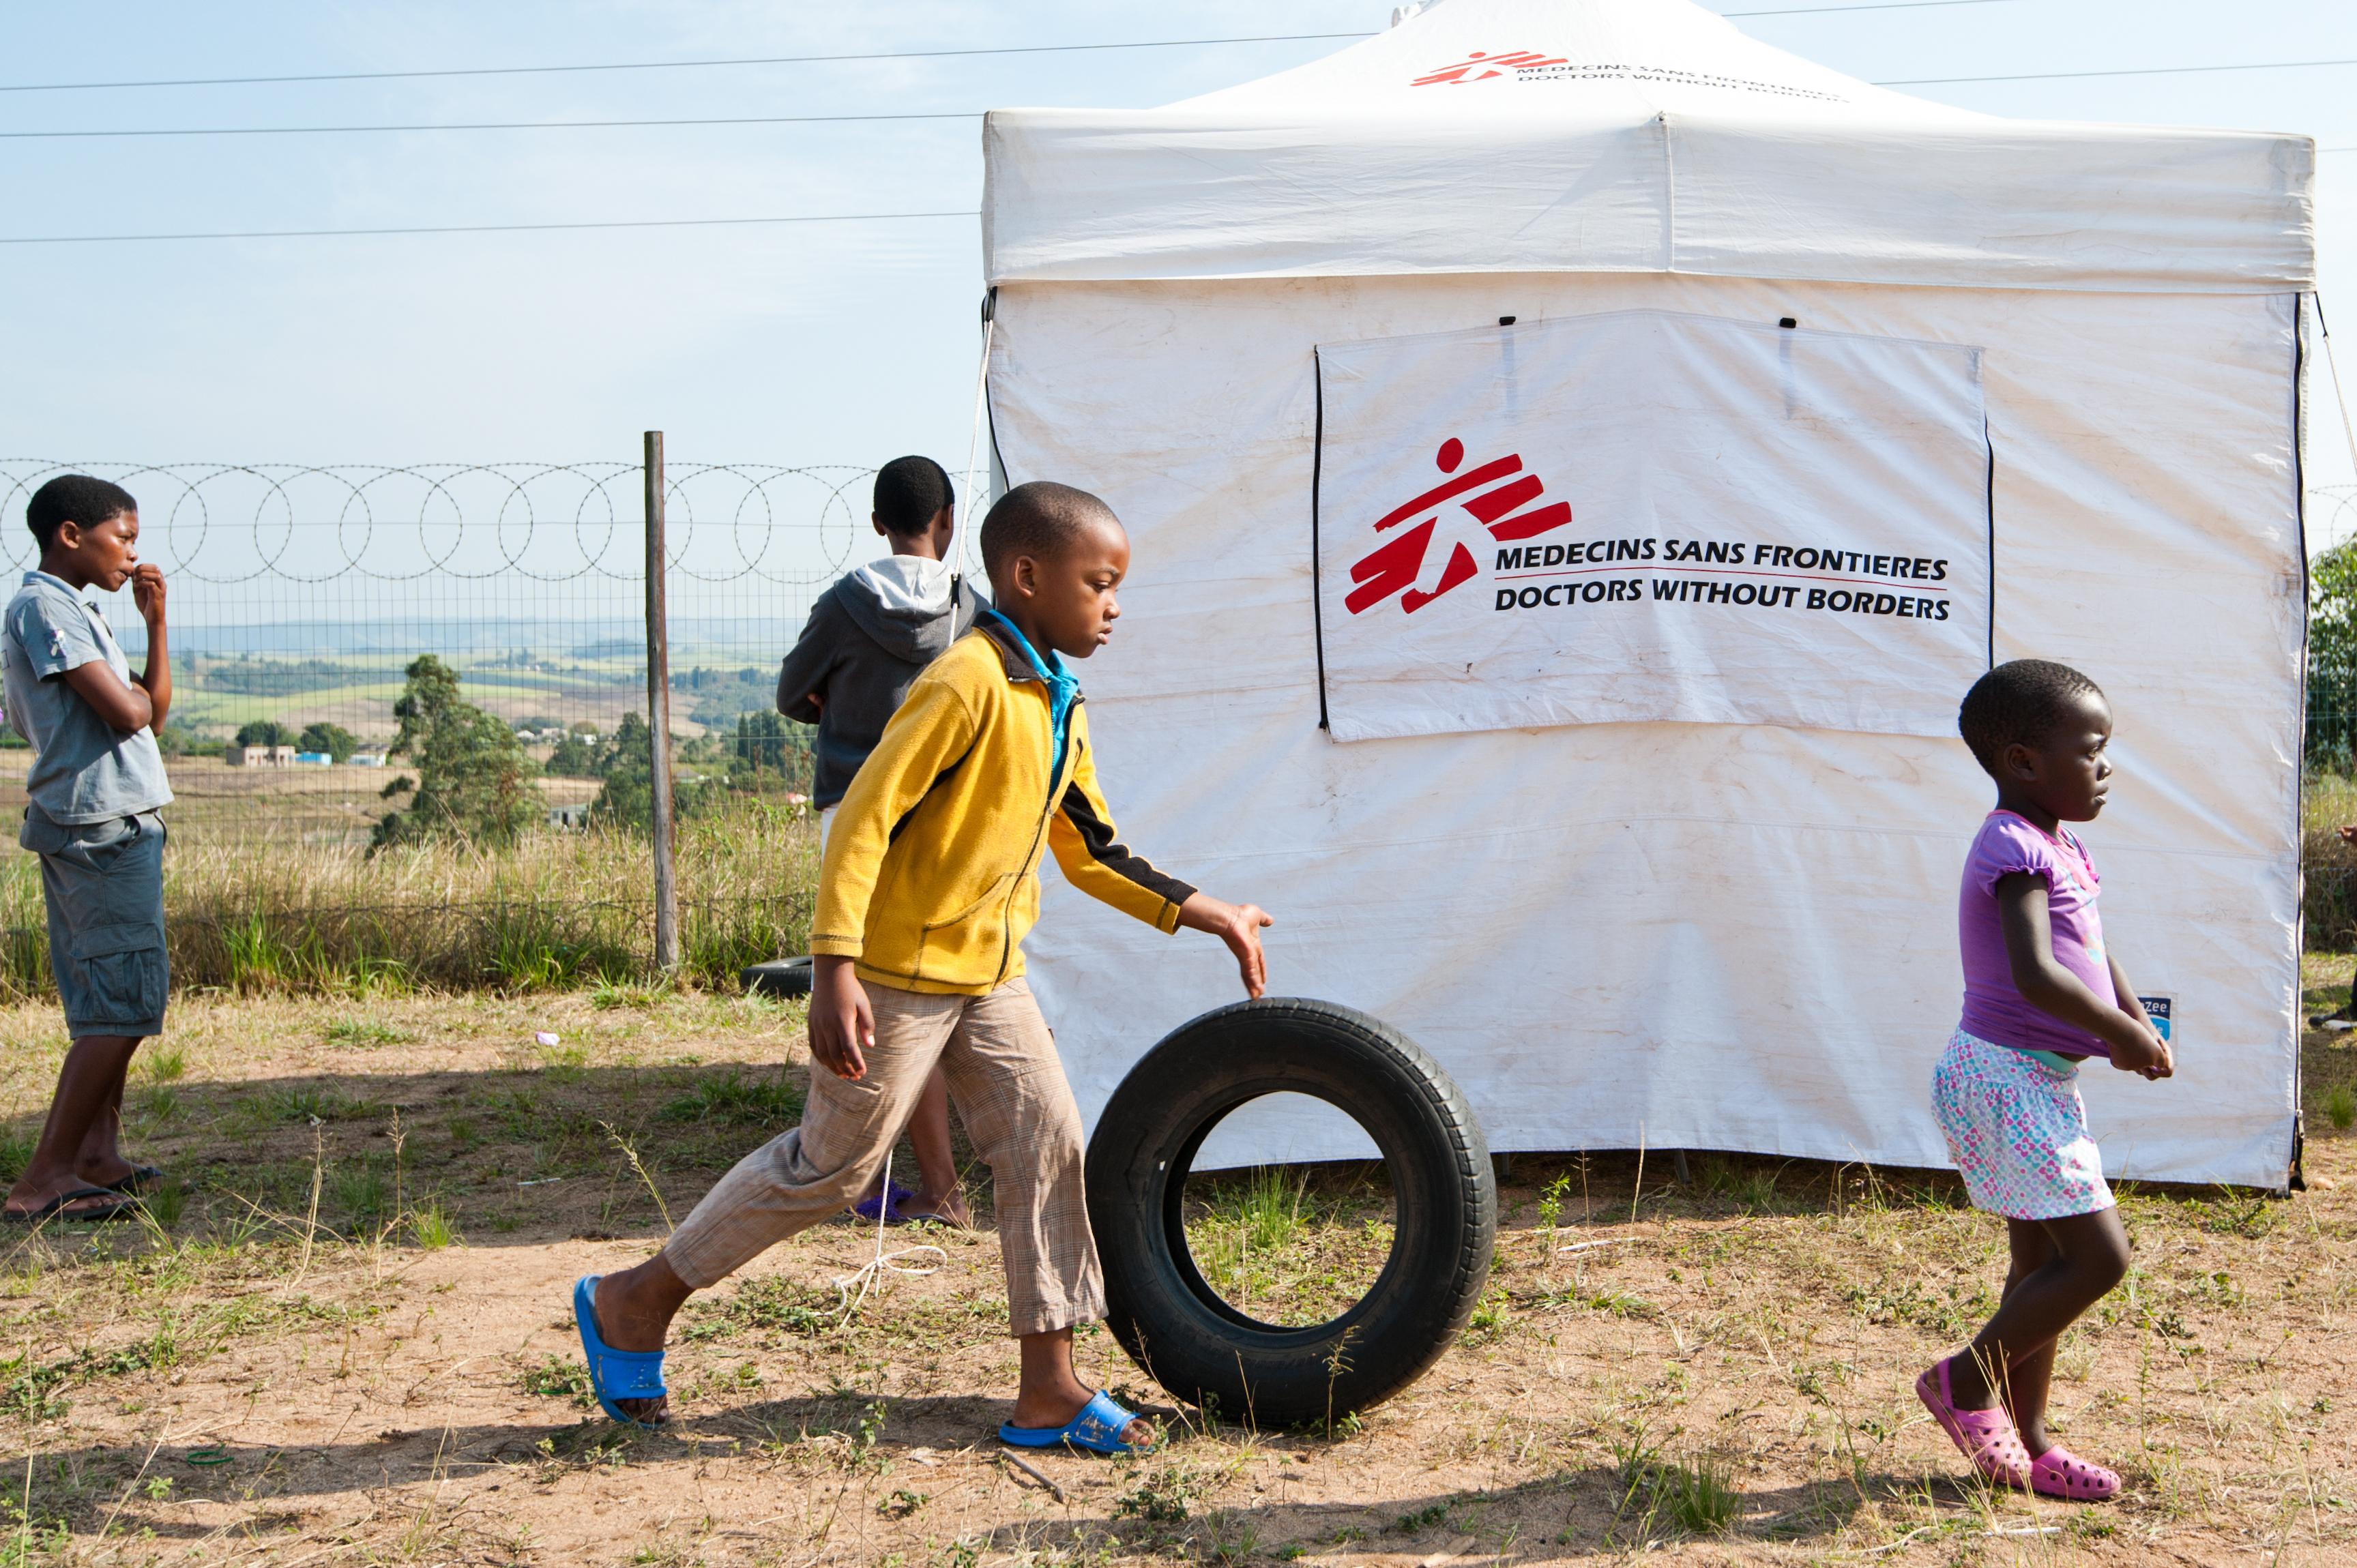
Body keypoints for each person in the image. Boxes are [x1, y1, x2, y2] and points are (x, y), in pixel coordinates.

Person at [577, 480, 1274, 1453]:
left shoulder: (1054, 698)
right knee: (835, 1166)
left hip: (988, 973)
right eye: (1099, 582)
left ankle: (1049, 1387)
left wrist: (1210, 911)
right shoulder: (967, 680)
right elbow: (863, 817)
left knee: (1044, 1142)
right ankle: (633, 1298)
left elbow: (1092, 847)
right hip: (897, 969)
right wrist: (834, 966)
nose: (1113, 603)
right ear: (1027, 577)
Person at [1918, 660, 2173, 1502]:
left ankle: (2028, 1444)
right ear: (2024, 761)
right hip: (2004, 1080)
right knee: (2098, 1259)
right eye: (2091, 749)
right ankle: (1963, 1382)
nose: (2105, 766)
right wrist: (2120, 1032)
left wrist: (2134, 1028)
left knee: (2039, 1272)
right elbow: (2034, 973)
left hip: (2031, 1078)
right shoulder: (2011, 845)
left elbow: (2092, 953)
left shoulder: (2061, 844)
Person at [776, 455, 977, 1225]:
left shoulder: (843, 604)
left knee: (863, 996)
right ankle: (938, 1184)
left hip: (854, 816)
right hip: (938, 820)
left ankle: (858, 1175)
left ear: (875, 524)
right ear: (949, 520)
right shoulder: (971, 609)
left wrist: (835, 694)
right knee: (920, 994)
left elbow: (793, 690)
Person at [0, 475, 175, 1224]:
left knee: (112, 998)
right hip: (98, 827)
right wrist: (136, 697)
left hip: (111, 821)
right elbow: (127, 710)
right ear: (71, 534)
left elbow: (152, 712)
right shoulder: (44, 606)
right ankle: (43, 1180)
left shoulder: (81, 611)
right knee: (122, 1006)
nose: (132, 552)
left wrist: (156, 624)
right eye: (123, 537)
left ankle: (96, 1155)